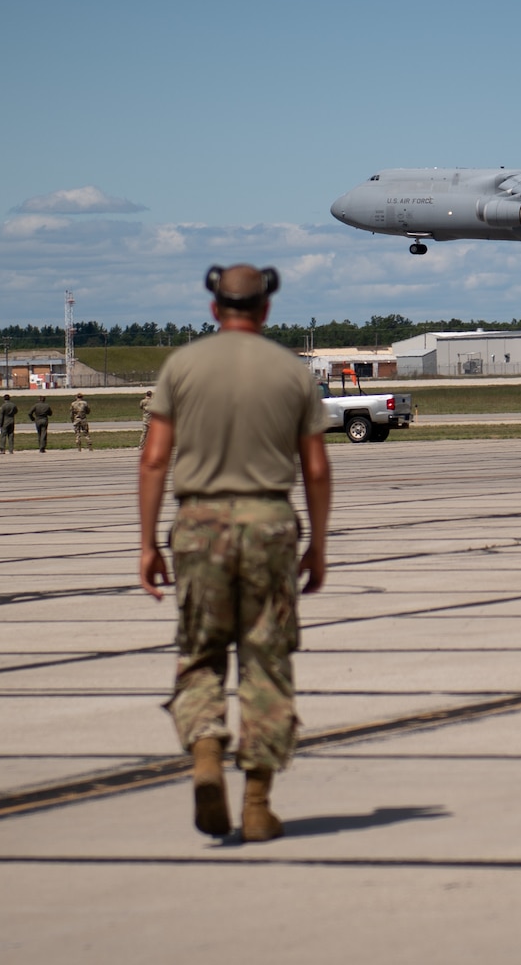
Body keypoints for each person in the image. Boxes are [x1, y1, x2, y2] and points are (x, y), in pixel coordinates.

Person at [140, 263, 330, 841]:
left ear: (214, 308)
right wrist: (318, 545)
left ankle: (204, 754)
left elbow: (153, 459)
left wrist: (148, 542)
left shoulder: (183, 366)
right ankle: (256, 803)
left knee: (200, 653)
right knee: (266, 661)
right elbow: (316, 467)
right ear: (266, 310)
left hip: (199, 525)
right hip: (270, 524)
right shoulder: (292, 372)